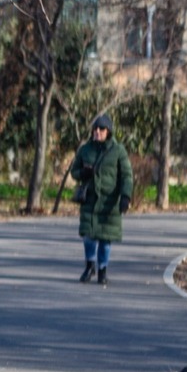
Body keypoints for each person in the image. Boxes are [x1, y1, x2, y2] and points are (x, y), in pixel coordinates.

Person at [70, 113, 133, 286]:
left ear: (108, 131)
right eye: (95, 129)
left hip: (109, 202)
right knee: (88, 236)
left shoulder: (118, 151)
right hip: (89, 200)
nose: (97, 131)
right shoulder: (85, 150)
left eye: (102, 129)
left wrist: (125, 196)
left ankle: (102, 269)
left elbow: (126, 175)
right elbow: (74, 171)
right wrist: (83, 173)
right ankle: (90, 266)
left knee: (105, 239)